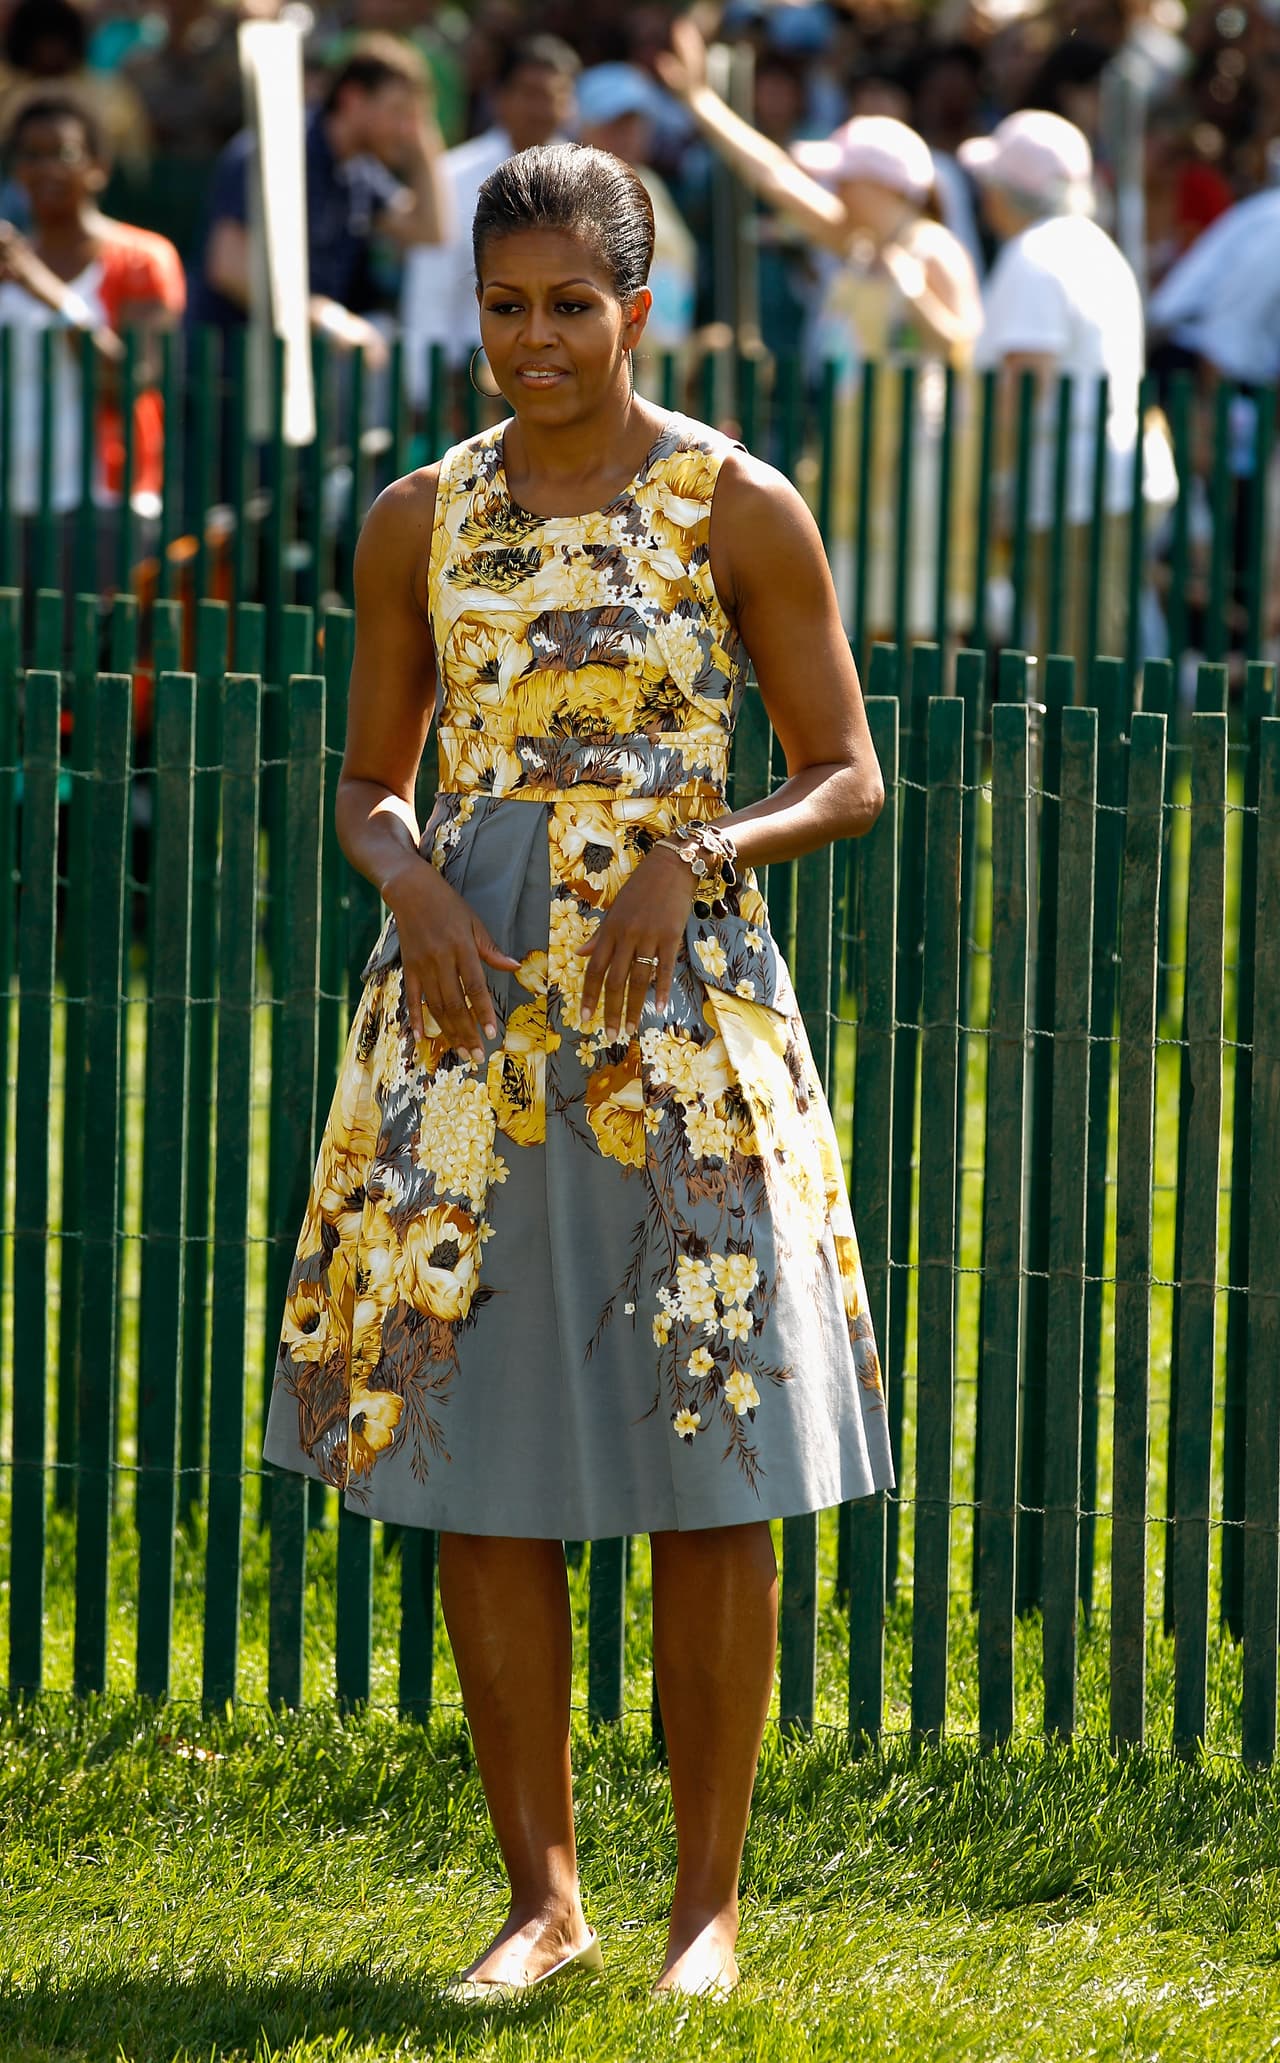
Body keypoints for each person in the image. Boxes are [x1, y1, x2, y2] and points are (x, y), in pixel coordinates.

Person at [263, 140, 893, 1999]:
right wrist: (415, 890)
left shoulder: (734, 502)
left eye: (572, 306)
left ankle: (707, 1905)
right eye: (505, 307)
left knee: (720, 1444)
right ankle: (543, 1897)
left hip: (683, 1009)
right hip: (464, 1024)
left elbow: (847, 767)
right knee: (481, 1458)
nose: (536, 341)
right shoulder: (414, 519)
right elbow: (372, 783)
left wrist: (701, 856)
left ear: (639, 309)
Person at [658, 16, 981, 640]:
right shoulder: (856, 241)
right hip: (855, 455)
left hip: (918, 463)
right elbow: (774, 175)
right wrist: (703, 104)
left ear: (879, 183)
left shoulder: (934, 249)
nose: (830, 184)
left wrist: (913, 292)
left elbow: (965, 346)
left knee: (921, 620)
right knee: (864, 617)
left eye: (844, 174)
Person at [960, 109, 1158, 672]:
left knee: (1071, 649)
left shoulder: (1035, 257)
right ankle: (1105, 759)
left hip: (1070, 489)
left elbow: (1024, 383)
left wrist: (996, 481)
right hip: (1099, 481)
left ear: (1008, 191)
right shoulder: (1091, 246)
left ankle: (1073, 764)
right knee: (1098, 640)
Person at [0, 90, 185, 581]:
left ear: (97, 167)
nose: (45, 170)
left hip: (103, 506)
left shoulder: (144, 259)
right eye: (30, 156)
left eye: (61, 154)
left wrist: (49, 293)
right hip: (9, 502)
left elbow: (128, 383)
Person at [187, 35, 448, 366]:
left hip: (289, 378)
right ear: (353, 99)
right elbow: (228, 266)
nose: (405, 129)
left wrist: (422, 137)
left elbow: (430, 230)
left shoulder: (359, 172)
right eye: (398, 112)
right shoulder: (277, 146)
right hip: (225, 374)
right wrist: (323, 316)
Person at [400, 34, 578, 399]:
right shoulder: (451, 177)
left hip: (562, 381)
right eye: (529, 93)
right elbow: (430, 295)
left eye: (553, 95)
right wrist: (426, 392)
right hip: (462, 390)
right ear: (501, 99)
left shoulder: (588, 181)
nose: (540, 108)